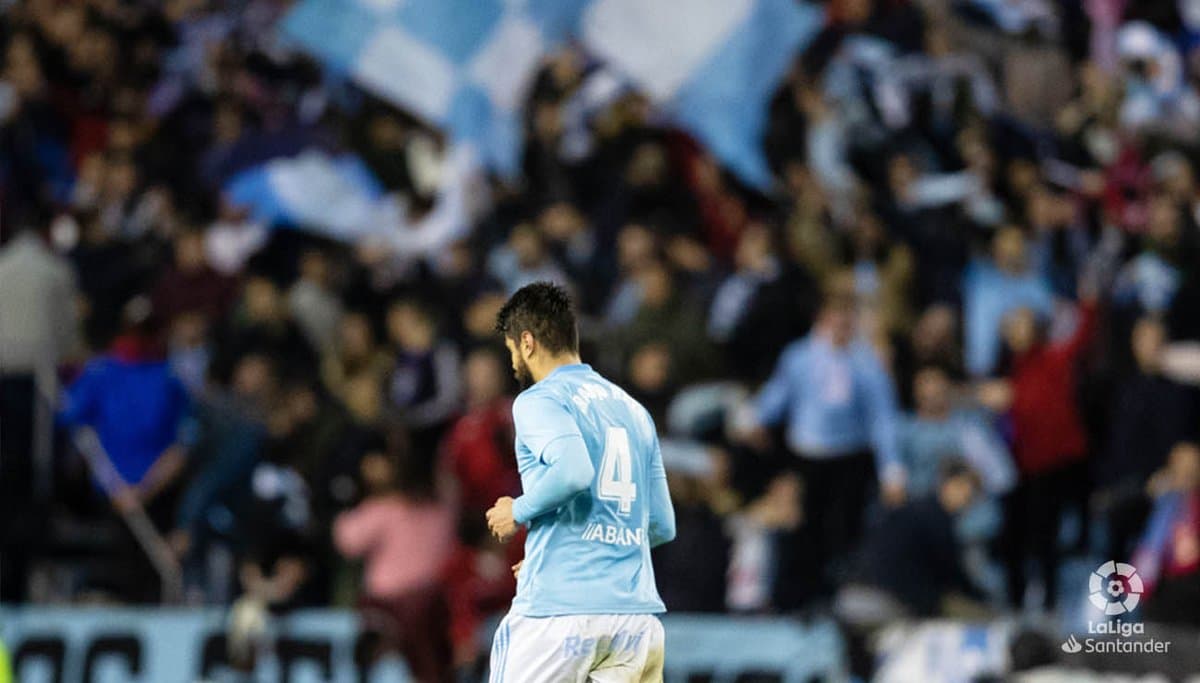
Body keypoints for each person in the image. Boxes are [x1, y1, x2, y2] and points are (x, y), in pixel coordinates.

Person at [484, 281, 675, 682]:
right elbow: (660, 525)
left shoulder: (540, 400)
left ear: (527, 342)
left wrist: (515, 511)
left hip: (558, 619)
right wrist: (551, 556)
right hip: (635, 623)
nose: (513, 362)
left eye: (511, 350)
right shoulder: (634, 410)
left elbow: (573, 471)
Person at [745, 291, 905, 605]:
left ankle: (835, 596)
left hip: (849, 458)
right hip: (808, 455)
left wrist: (892, 470)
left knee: (844, 530)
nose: (842, 325)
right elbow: (780, 394)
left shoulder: (867, 363)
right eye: (836, 316)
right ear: (823, 318)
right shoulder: (800, 357)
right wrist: (754, 417)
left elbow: (882, 418)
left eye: (848, 318)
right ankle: (798, 596)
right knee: (803, 527)